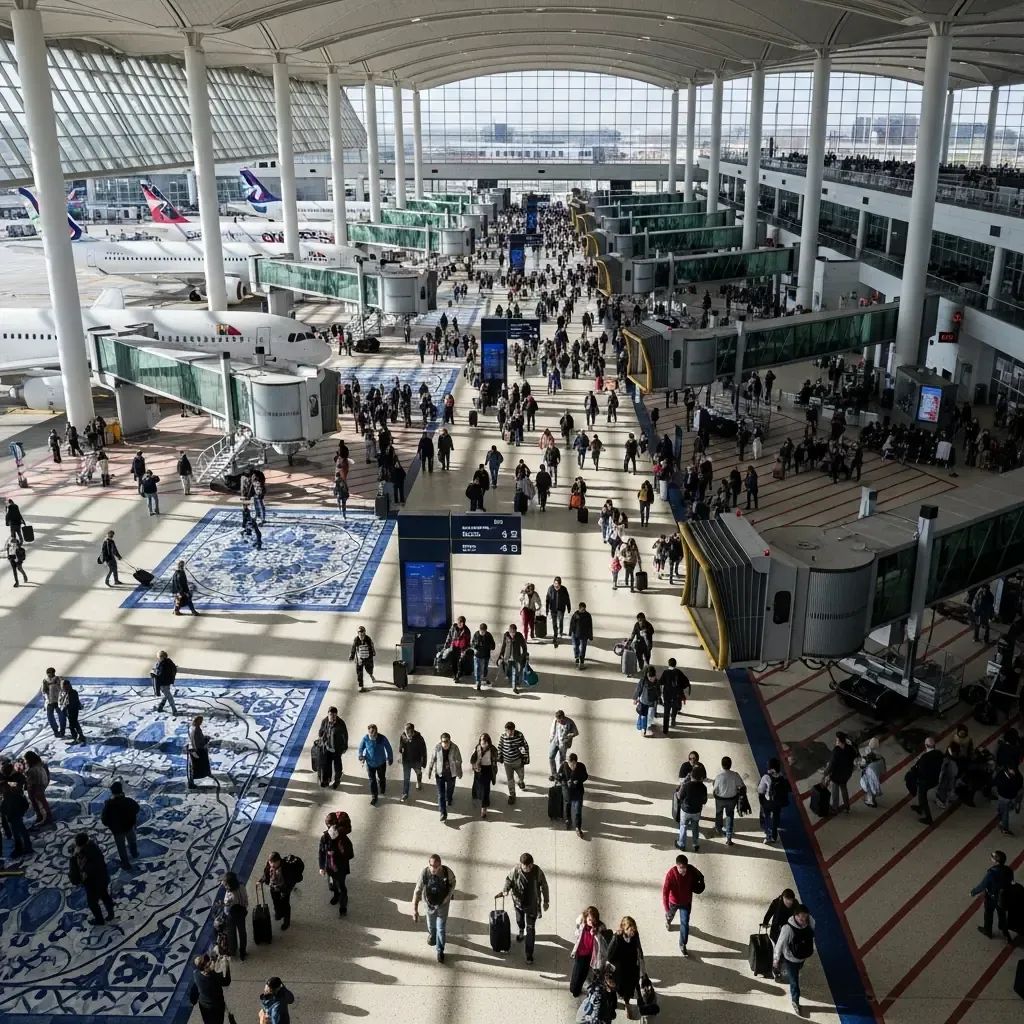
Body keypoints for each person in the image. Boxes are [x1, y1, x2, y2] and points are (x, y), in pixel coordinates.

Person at [498, 852, 550, 965]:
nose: (528, 868)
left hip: (532, 905)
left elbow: (544, 885)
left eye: (530, 866)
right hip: (518, 903)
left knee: (530, 930)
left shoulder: (537, 871)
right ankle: (521, 930)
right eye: (526, 866)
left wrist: (546, 901)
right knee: (519, 920)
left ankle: (529, 954)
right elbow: (509, 880)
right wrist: (506, 889)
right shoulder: (515, 870)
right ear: (521, 865)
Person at [413, 854, 457, 963]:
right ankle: (432, 935)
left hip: (443, 904)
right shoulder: (425, 873)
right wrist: (414, 909)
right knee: (431, 925)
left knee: (441, 928)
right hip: (429, 905)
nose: (433, 869)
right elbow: (417, 891)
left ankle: (440, 950)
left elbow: (453, 882)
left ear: (440, 866)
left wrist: (449, 895)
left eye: (436, 867)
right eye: (431, 866)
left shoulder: (447, 872)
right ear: (429, 864)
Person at [773, 904, 816, 1015]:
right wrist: (775, 959)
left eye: (805, 917)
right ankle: (795, 1001)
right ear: (795, 916)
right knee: (794, 981)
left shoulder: (809, 921)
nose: (803, 920)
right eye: (800, 917)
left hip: (802, 957)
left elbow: (812, 929)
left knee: (797, 970)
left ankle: (782, 971)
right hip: (791, 959)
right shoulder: (787, 929)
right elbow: (779, 945)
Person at [68, 831, 114, 924]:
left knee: (93, 903)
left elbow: (77, 872)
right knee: (105, 896)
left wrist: (73, 858)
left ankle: (100, 920)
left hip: (93, 883)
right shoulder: (93, 848)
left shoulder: (84, 857)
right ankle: (110, 913)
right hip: (102, 878)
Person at [970, 849, 1014, 940]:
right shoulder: (1008, 870)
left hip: (992, 897)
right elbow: (1011, 882)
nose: (991, 858)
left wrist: (973, 892)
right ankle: (1005, 932)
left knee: (988, 914)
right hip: (1003, 896)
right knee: (1002, 914)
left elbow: (983, 885)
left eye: (993, 857)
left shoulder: (992, 872)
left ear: (996, 861)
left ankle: (988, 931)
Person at [662, 853, 700, 957]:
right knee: (670, 916)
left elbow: (698, 880)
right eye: (680, 867)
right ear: (677, 865)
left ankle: (682, 944)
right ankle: (668, 921)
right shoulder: (671, 875)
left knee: (685, 923)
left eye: (684, 867)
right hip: (673, 903)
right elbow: (665, 892)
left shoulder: (691, 873)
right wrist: (667, 909)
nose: (683, 870)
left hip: (686, 903)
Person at [318, 811, 354, 917]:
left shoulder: (342, 837)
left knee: (341, 885)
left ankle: (343, 906)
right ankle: (336, 894)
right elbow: (321, 852)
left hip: (340, 867)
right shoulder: (324, 837)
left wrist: (340, 852)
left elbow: (349, 852)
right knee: (331, 885)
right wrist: (321, 867)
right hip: (330, 867)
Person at [569, 905, 610, 997]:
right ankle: (574, 989)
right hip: (580, 953)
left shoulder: (599, 928)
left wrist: (596, 933)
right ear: (586, 917)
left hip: (590, 955)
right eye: (590, 919)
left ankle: (577, 989)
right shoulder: (582, 925)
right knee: (577, 972)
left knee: (584, 973)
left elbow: (603, 940)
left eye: (594, 919)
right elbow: (577, 933)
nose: (592, 922)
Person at [606, 916, 645, 1013]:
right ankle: (618, 999)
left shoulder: (635, 935)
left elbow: (639, 948)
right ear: (624, 929)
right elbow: (609, 955)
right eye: (631, 930)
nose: (633, 932)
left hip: (631, 966)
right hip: (620, 968)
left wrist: (641, 964)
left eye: (634, 929)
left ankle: (627, 1003)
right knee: (619, 987)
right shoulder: (617, 938)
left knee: (629, 987)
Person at [100, 780, 140, 869]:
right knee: (132, 841)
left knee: (121, 847)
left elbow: (104, 820)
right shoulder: (128, 801)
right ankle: (134, 854)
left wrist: (111, 826)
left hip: (117, 831)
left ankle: (125, 864)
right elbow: (137, 808)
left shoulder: (108, 805)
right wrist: (132, 818)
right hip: (129, 827)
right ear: (121, 790)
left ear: (112, 792)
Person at [428, 732, 463, 822]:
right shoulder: (437, 748)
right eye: (443, 741)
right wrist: (430, 770)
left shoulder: (455, 748)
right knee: (441, 795)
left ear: (450, 741)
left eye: (447, 741)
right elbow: (432, 759)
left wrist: (459, 772)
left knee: (450, 790)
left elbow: (459, 760)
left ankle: (449, 797)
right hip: (440, 774)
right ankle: (443, 813)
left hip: (451, 774)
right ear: (441, 741)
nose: (445, 743)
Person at [910, 736, 945, 825]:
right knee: (921, 794)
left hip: (925, 781)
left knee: (922, 797)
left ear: (926, 745)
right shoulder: (939, 753)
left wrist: (916, 767)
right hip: (935, 779)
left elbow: (920, 771)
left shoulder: (925, 757)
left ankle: (928, 818)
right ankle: (920, 807)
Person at [357, 723, 394, 806]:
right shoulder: (366, 738)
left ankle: (382, 786)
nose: (372, 737)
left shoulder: (382, 738)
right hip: (370, 764)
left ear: (376, 733)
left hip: (381, 763)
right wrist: (360, 756)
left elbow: (388, 748)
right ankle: (374, 796)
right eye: (370, 734)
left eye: (373, 735)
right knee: (372, 780)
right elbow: (360, 748)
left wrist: (390, 758)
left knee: (381, 777)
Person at [188, 953, 231, 1024]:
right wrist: (226, 965)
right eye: (207, 964)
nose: (209, 963)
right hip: (217, 1006)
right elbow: (226, 981)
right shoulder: (213, 977)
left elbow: (194, 990)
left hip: (204, 1005)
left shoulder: (197, 975)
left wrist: (193, 1001)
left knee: (207, 1021)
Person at [712, 756, 744, 846]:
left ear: (722, 765)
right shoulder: (735, 775)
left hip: (720, 799)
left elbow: (715, 789)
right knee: (730, 815)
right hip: (732, 799)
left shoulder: (719, 777)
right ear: (730, 765)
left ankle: (718, 828)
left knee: (719, 813)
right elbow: (740, 785)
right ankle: (729, 837)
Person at [757, 757, 790, 845]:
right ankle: (774, 836)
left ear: (772, 769)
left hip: (768, 802)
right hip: (778, 802)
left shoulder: (766, 777)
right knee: (776, 817)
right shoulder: (782, 776)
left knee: (766, 816)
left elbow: (760, 790)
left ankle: (768, 835)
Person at [676, 764, 708, 852]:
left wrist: (681, 786)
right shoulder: (703, 787)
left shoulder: (686, 786)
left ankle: (681, 844)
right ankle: (695, 844)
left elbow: (679, 796)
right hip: (697, 811)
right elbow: (704, 801)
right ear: (701, 777)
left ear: (691, 776)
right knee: (695, 827)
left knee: (683, 826)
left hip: (686, 810)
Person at [498, 720, 530, 804]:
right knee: (510, 779)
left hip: (518, 761)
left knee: (521, 775)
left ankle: (521, 781)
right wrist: (499, 756)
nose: (508, 733)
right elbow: (500, 747)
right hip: (507, 762)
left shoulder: (519, 735)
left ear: (513, 730)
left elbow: (524, 746)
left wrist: (525, 757)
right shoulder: (503, 736)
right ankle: (512, 795)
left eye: (510, 731)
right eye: (506, 731)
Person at [261, 853, 295, 931]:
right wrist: (261, 881)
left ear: (278, 861)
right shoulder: (269, 864)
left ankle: (286, 922)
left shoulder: (286, 867)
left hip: (284, 888)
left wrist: (286, 890)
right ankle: (278, 913)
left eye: (273, 864)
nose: (271, 865)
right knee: (275, 901)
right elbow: (266, 874)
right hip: (273, 887)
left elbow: (290, 881)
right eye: (270, 863)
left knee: (285, 905)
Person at [825, 731, 857, 813]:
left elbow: (832, 764)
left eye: (836, 740)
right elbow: (854, 755)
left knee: (835, 790)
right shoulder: (849, 748)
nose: (835, 741)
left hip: (837, 775)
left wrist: (826, 773)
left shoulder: (836, 751)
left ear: (839, 741)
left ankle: (835, 807)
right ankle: (847, 806)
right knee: (843, 788)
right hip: (846, 774)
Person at [317, 706, 348, 789]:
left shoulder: (341, 723)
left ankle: (337, 780)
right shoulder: (325, 721)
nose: (332, 717)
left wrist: (345, 746)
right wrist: (321, 736)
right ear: (328, 714)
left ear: (336, 715)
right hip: (327, 747)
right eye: (330, 714)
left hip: (337, 749)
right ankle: (326, 780)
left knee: (337, 766)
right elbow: (320, 732)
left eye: (334, 715)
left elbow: (345, 736)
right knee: (326, 765)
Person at [558, 752, 588, 837]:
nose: (571, 766)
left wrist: (578, 780)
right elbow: (560, 777)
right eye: (569, 763)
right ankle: (568, 819)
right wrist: (564, 781)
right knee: (568, 804)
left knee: (578, 809)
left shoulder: (581, 766)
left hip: (578, 790)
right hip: (567, 791)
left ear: (575, 762)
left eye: (572, 764)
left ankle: (578, 827)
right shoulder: (564, 765)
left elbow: (585, 776)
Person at [221, 871, 248, 960]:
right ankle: (242, 952)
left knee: (231, 933)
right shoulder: (241, 886)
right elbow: (245, 900)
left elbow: (226, 907)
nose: (224, 885)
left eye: (225, 884)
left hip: (232, 915)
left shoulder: (229, 896)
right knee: (242, 932)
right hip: (241, 912)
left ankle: (233, 950)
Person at [470, 732, 498, 817]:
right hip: (479, 769)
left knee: (486, 789)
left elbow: (497, 758)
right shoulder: (477, 748)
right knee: (477, 784)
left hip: (488, 770)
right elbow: (472, 760)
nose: (483, 742)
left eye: (485, 741)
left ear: (488, 742)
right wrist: (475, 765)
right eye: (482, 740)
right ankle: (475, 794)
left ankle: (484, 808)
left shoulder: (493, 749)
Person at [497, 622, 529, 693]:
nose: (513, 634)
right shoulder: (506, 635)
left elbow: (524, 647)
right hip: (507, 658)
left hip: (516, 658)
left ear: (516, 631)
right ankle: (510, 678)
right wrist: (501, 655)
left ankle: (514, 687)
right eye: (511, 633)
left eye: (514, 632)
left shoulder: (519, 636)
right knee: (508, 671)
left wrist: (523, 656)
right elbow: (503, 646)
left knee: (515, 672)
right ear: (509, 631)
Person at [399, 722, 428, 800]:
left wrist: (424, 763)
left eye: (409, 734)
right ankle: (405, 793)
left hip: (416, 761)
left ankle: (419, 781)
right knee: (406, 778)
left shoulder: (419, 738)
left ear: (413, 732)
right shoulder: (403, 736)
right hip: (406, 761)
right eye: (406, 733)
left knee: (418, 772)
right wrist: (400, 752)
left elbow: (423, 751)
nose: (408, 736)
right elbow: (401, 747)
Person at [548, 709, 579, 780]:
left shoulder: (570, 722)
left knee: (561, 760)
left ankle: (560, 774)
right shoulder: (555, 720)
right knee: (551, 757)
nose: (559, 722)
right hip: (555, 741)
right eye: (558, 720)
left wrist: (570, 735)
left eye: (560, 720)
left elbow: (576, 732)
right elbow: (553, 730)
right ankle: (554, 773)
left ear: (563, 717)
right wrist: (551, 738)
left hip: (563, 744)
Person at [994, 761, 1023, 836]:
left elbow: (1020, 783)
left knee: (1010, 807)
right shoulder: (1001, 776)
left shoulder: (1016, 774)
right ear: (1008, 769)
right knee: (1005, 814)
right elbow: (998, 784)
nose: (1014, 771)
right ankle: (1005, 828)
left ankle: (1000, 813)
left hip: (1012, 796)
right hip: (1004, 797)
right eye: (1012, 769)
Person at [23, 750, 51, 825]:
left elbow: (45, 776)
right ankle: (39, 815)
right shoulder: (31, 765)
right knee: (33, 800)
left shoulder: (40, 765)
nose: (25, 761)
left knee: (40, 800)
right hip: (32, 785)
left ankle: (47, 815)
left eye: (26, 759)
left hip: (38, 785)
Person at [544, 575, 573, 645]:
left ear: (560, 584)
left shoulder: (564, 589)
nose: (556, 585)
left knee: (560, 621)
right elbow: (547, 599)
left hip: (561, 609)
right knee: (554, 622)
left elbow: (567, 599)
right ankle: (555, 634)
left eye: (557, 584)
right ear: (553, 583)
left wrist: (569, 607)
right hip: (553, 609)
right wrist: (547, 609)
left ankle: (560, 632)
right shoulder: (550, 589)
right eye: (555, 583)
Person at [348, 625, 376, 690]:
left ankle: (371, 674)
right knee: (359, 672)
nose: (362, 637)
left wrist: (373, 652)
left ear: (365, 633)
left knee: (369, 668)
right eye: (360, 635)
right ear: (358, 634)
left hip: (368, 658)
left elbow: (372, 646)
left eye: (363, 635)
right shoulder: (356, 640)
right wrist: (352, 656)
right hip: (359, 658)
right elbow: (353, 648)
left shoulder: (368, 639)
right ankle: (361, 685)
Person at [151, 650, 178, 716]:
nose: (158, 658)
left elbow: (161, 674)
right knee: (167, 695)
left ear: (162, 656)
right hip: (167, 682)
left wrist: (154, 675)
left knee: (168, 696)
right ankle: (160, 707)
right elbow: (173, 670)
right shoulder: (169, 662)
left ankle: (174, 710)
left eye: (159, 656)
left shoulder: (163, 664)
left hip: (163, 683)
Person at [42, 666, 66, 737]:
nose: (49, 675)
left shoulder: (59, 679)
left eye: (50, 673)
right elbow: (43, 691)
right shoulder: (45, 681)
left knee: (61, 716)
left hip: (58, 701)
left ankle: (62, 730)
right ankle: (55, 730)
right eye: (48, 673)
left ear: (54, 673)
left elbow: (63, 689)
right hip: (50, 701)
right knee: (50, 716)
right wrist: (46, 700)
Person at [188, 715, 211, 789]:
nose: (201, 722)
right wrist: (206, 740)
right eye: (200, 721)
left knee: (193, 767)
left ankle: (191, 782)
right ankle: (191, 783)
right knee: (195, 767)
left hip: (194, 749)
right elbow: (198, 742)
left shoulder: (193, 728)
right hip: (198, 750)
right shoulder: (196, 729)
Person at [59, 678, 86, 743]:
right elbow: (61, 701)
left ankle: (76, 737)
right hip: (67, 710)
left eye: (65, 686)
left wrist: (66, 708)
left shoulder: (73, 692)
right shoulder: (63, 692)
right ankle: (79, 736)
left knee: (72, 725)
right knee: (74, 723)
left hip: (73, 710)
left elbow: (73, 702)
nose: (64, 687)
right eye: (63, 686)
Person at [471, 622, 496, 691]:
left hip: (486, 655)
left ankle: (484, 678)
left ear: (486, 631)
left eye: (483, 632)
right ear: (479, 630)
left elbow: (493, 646)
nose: (482, 633)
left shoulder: (488, 635)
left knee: (485, 668)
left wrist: (489, 646)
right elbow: (472, 643)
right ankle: (478, 682)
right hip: (478, 655)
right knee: (478, 668)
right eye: (481, 631)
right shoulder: (476, 634)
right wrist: (474, 648)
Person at [569, 601, 594, 669]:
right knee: (575, 647)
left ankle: (582, 661)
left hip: (584, 635)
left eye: (584, 609)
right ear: (579, 608)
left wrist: (590, 636)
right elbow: (572, 624)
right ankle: (577, 658)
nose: (583, 610)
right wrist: (570, 632)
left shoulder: (588, 615)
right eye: (582, 609)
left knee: (583, 648)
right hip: (575, 634)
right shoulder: (575, 615)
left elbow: (590, 626)